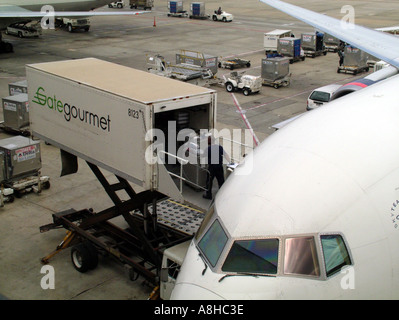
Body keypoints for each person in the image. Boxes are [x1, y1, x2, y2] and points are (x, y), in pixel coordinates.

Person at [203, 136, 230, 200]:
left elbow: (203, 155)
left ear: (209, 141)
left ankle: (208, 195)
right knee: (221, 181)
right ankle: (222, 195)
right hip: (219, 167)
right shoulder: (219, 147)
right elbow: (226, 155)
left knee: (209, 181)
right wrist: (230, 162)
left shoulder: (208, 148)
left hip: (212, 168)